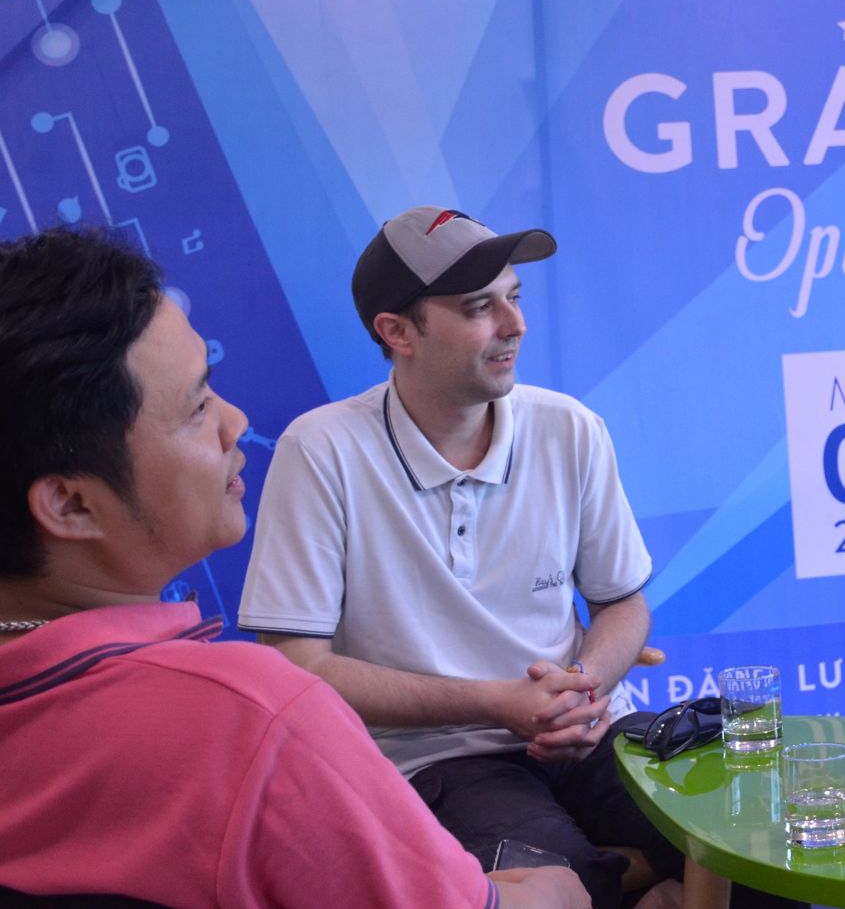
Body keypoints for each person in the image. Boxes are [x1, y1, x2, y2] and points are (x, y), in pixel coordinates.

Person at [0, 227, 585, 908]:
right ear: (71, 504)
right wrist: (560, 890)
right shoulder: (250, 719)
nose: (236, 422)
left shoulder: (569, 427)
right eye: (197, 406)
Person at [238, 207, 674, 909]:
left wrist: (584, 688)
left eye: (514, 296)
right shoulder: (320, 450)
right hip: (438, 759)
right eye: (479, 307)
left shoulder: (570, 427)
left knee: (756, 834)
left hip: (590, 735)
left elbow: (622, 602)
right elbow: (298, 663)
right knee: (553, 886)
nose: (514, 324)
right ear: (397, 331)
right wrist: (496, 703)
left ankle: (650, 883)